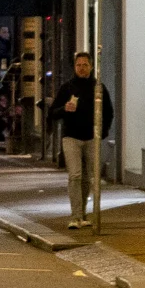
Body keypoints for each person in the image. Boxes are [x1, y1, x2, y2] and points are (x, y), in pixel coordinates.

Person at [51, 49, 112, 228]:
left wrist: (103, 132)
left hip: (91, 137)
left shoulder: (98, 87)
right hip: (71, 137)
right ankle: (75, 216)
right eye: (78, 65)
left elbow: (108, 111)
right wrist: (64, 109)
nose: (82, 68)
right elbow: (53, 112)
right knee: (75, 175)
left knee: (89, 177)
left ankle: (83, 213)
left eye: (85, 65)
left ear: (91, 67)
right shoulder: (67, 88)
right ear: (74, 67)